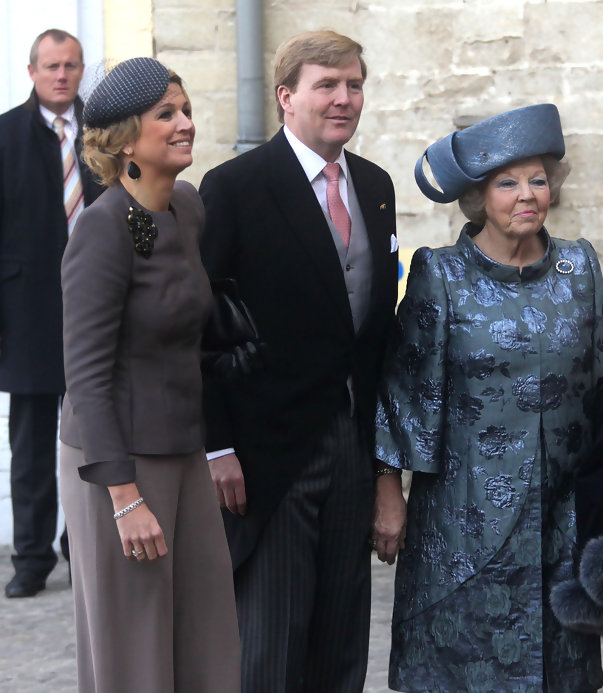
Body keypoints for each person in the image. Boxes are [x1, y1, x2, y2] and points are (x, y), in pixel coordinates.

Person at [374, 103, 603, 692]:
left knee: (560, 672)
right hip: (462, 520)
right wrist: (387, 494)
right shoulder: (440, 274)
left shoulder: (579, 267)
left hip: (563, 514)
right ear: (478, 197)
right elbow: (403, 393)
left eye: (537, 179)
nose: (526, 195)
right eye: (507, 182)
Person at [198, 30, 398, 692]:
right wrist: (217, 444)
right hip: (269, 451)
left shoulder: (375, 186)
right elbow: (200, 329)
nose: (344, 99)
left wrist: (382, 466)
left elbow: (375, 332)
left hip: (350, 444)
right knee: (272, 643)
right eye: (327, 85)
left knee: (341, 641)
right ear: (286, 97)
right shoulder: (233, 188)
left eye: (354, 85)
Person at [59, 57, 240, 692]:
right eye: (166, 114)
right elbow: (86, 374)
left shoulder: (185, 208)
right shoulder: (101, 230)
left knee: (206, 640)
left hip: (184, 450)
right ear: (125, 140)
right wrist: (124, 496)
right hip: (119, 463)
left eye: (186, 109)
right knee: (134, 651)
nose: (186, 123)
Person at [0, 28, 103, 598]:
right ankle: (32, 558)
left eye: (70, 65)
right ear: (32, 71)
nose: (61, 76)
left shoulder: (107, 134)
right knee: (33, 443)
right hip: (29, 312)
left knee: (98, 433)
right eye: (51, 66)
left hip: (98, 308)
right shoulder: (6, 136)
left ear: (81, 70)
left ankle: (83, 548)